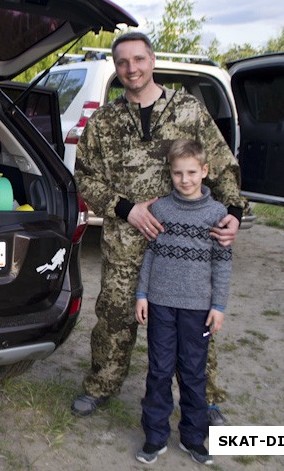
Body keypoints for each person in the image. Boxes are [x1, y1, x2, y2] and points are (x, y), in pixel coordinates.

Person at [71, 31, 243, 425]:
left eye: (139, 59)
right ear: (117, 69)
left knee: (193, 325)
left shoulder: (189, 112)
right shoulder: (104, 122)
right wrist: (126, 208)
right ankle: (102, 385)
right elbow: (85, 179)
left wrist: (233, 211)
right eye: (123, 62)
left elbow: (223, 164)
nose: (132, 69)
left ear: (152, 60)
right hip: (126, 240)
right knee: (114, 317)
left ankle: (205, 400)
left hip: (185, 247)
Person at [134, 138, 231, 465]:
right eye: (178, 173)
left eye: (191, 172)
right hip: (161, 305)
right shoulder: (160, 209)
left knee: (193, 373)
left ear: (204, 171)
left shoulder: (217, 214)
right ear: (170, 174)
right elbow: (150, 253)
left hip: (197, 311)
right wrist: (142, 294)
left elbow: (222, 262)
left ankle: (193, 437)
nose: (185, 179)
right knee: (159, 371)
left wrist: (218, 305)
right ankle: (155, 436)